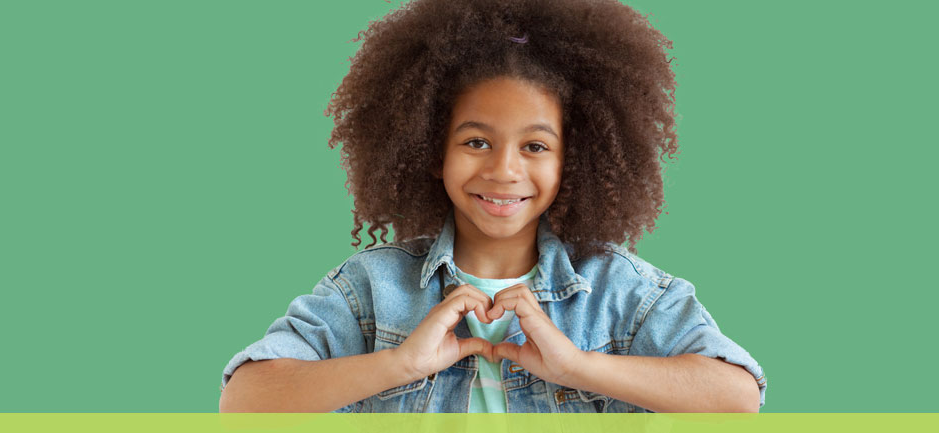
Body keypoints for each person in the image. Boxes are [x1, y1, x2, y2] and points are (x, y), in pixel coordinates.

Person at [219, 0, 765, 413]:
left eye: (535, 146)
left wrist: (578, 366)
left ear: (574, 161)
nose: (504, 170)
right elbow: (244, 399)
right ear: (431, 151)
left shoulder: (619, 292)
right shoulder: (370, 290)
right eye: (476, 141)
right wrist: (398, 363)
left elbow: (737, 395)